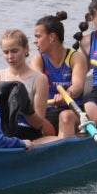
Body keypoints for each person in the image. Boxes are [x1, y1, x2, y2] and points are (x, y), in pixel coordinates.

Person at [0, 29, 56, 143]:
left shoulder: (39, 79)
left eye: (14, 51)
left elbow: (38, 124)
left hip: (28, 133)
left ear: (26, 49)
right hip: (1, 132)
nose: (10, 56)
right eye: (6, 52)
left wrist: (26, 108)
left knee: (58, 140)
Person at [31, 11, 88, 139]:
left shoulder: (75, 58)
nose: (35, 41)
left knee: (65, 117)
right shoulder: (38, 59)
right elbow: (35, 85)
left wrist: (67, 94)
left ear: (51, 37)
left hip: (73, 111)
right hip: (47, 111)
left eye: (38, 36)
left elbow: (78, 86)